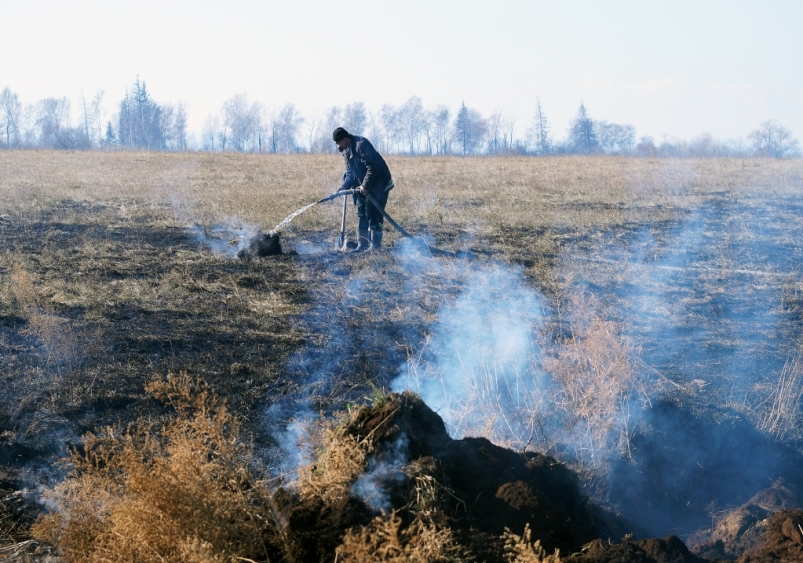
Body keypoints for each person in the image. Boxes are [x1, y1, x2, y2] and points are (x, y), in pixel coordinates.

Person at [334, 127, 394, 251]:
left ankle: (375, 246)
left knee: (374, 214)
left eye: (338, 142)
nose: (337, 146)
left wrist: (365, 186)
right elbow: (350, 173)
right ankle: (362, 245)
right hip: (362, 184)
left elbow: (373, 168)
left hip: (379, 182)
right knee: (361, 213)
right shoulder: (346, 150)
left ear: (345, 139)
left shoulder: (361, 144)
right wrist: (344, 187)